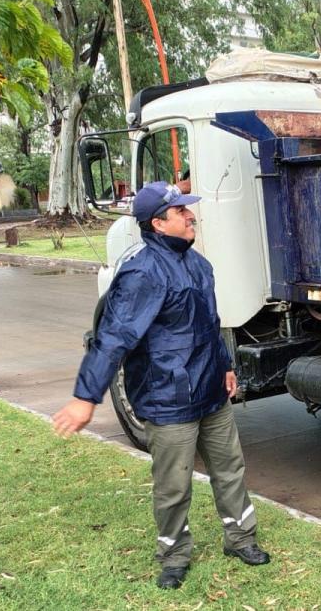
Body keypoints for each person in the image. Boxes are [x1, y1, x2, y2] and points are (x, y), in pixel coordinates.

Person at [52, 181, 270, 589]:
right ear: (158, 223)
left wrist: (224, 365)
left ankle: (240, 539)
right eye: (181, 212)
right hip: (168, 400)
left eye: (189, 209)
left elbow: (210, 324)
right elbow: (113, 337)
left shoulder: (197, 264)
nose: (191, 216)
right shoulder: (141, 273)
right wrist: (86, 396)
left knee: (230, 471)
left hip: (210, 392)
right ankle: (174, 555)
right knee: (173, 486)